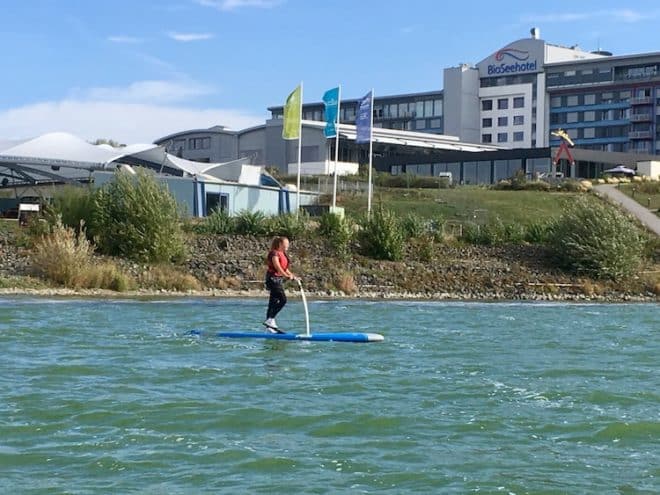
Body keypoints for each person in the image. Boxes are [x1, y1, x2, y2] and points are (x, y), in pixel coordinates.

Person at [263, 236, 298, 333]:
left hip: (278, 280)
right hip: (272, 279)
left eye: (288, 244)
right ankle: (270, 320)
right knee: (283, 299)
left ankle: (269, 327)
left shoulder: (283, 254)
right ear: (280, 244)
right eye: (285, 244)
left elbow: (284, 268)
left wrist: (292, 275)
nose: (287, 246)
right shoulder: (274, 253)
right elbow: (278, 267)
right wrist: (286, 276)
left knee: (273, 302)